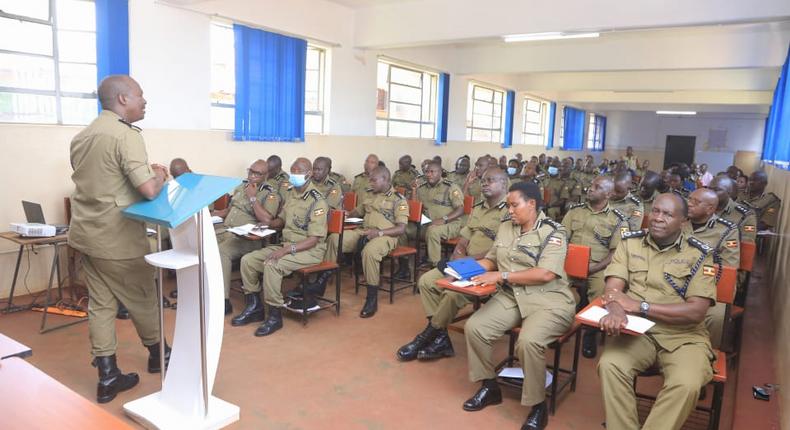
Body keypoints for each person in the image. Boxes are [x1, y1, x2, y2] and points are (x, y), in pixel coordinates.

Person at [69, 75, 169, 403]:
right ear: (123, 99)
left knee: (101, 305)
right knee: (142, 296)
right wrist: (159, 174)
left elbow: (104, 182)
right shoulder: (125, 136)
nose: (145, 101)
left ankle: (108, 376)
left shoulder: (82, 137)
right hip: (118, 238)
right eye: (140, 95)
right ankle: (160, 356)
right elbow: (148, 190)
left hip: (86, 234)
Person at [597, 193, 717, 430]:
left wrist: (641, 306)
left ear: (683, 221)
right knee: (610, 364)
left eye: (667, 214)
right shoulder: (630, 242)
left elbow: (696, 312)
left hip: (683, 337)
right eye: (656, 211)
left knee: (687, 383)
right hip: (638, 332)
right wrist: (614, 308)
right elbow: (613, 288)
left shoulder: (699, 254)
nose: (658, 218)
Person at [460, 181, 574, 430]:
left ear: (531, 203)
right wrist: (462, 271)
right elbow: (492, 260)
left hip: (549, 300)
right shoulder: (506, 227)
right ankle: (490, 387)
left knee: (529, 342)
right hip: (513, 296)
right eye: (508, 206)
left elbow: (545, 274)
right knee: (476, 327)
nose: (509, 210)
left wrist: (500, 276)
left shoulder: (554, 232)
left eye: (514, 205)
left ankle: (538, 406)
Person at [396, 168, 509, 362]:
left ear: (504, 184)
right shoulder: (479, 207)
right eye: (483, 180)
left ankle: (427, 336)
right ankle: (441, 338)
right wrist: (459, 254)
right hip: (467, 263)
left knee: (452, 293)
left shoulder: (510, 212)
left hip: (489, 268)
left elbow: (500, 251)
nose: (484, 183)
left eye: (490, 180)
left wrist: (469, 262)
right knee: (426, 281)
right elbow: (465, 237)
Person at [231, 158, 328, 336]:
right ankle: (255, 307)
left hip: (309, 251)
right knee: (248, 260)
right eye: (292, 171)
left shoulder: (317, 201)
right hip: (287, 245)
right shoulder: (292, 194)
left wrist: (285, 251)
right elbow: (281, 220)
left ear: (309, 174)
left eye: (298, 171)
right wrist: (267, 225)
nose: (294, 175)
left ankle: (275, 316)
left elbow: (314, 240)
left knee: (272, 265)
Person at [562, 176, 629, 358]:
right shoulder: (574, 211)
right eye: (591, 185)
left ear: (608, 194)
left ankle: (589, 335)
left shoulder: (618, 219)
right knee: (554, 286)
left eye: (597, 187)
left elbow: (616, 252)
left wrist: (594, 268)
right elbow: (561, 239)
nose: (590, 189)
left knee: (602, 294)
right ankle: (560, 327)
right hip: (569, 264)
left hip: (597, 268)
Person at [331, 166, 408, 318]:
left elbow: (401, 229)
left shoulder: (398, 200)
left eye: (374, 180)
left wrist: (379, 233)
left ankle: (371, 298)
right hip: (364, 231)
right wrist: (345, 214)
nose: (370, 182)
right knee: (334, 238)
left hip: (385, 235)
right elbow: (356, 212)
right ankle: (322, 281)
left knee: (370, 252)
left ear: (385, 179)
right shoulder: (370, 195)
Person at [213, 160, 281, 316]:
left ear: (266, 175)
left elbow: (266, 220)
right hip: (226, 230)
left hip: (248, 239)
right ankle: (206, 290)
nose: (252, 176)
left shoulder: (270, 193)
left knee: (221, 253)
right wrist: (210, 214)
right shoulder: (241, 187)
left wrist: (252, 198)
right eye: (251, 172)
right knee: (203, 243)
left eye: (257, 174)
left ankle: (223, 301)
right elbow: (228, 210)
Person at [686, 188, 739, 349]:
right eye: (689, 199)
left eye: (695, 202)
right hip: (673, 279)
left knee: (716, 316)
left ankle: (708, 353)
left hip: (709, 284)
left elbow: (729, 267)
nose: (689, 204)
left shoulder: (727, 230)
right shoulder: (679, 221)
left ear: (710, 209)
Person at [411, 162, 465, 268]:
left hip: (450, 224)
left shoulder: (451, 187)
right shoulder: (421, 188)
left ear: (440, 173)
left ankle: (436, 267)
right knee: (405, 229)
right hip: (428, 222)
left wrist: (444, 219)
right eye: (426, 172)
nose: (429, 174)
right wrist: (414, 191)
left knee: (433, 231)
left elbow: (460, 209)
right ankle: (404, 267)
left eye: (432, 171)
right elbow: (415, 207)